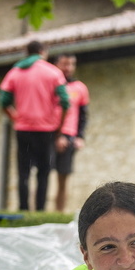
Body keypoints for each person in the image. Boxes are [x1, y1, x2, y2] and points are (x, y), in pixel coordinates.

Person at [0, 40, 70, 211]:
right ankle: (40, 208)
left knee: (23, 171)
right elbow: (66, 102)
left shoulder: (15, 72)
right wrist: (59, 125)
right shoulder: (53, 72)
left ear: (27, 52)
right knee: (43, 172)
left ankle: (23, 207)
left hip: (23, 129)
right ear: (43, 52)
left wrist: (16, 117)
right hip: (46, 130)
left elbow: (3, 101)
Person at [53, 53, 89, 213]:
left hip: (69, 136)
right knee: (42, 176)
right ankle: (39, 211)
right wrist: (56, 135)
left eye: (71, 64)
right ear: (56, 65)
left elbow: (83, 115)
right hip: (49, 134)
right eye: (64, 64)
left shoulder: (80, 87)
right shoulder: (50, 85)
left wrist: (80, 137)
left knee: (63, 177)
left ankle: (58, 212)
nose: (68, 68)